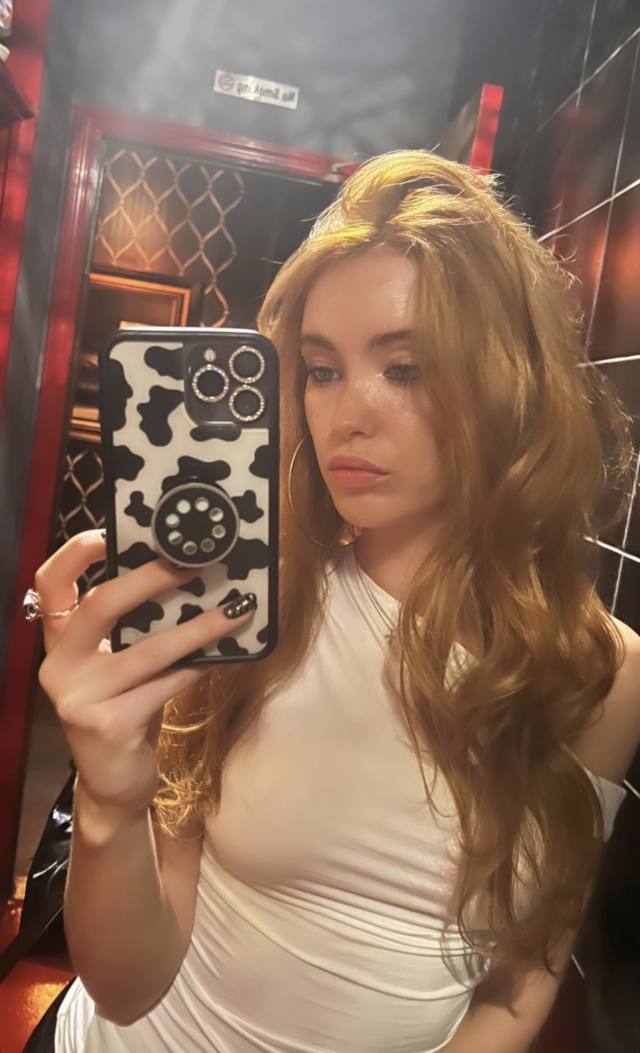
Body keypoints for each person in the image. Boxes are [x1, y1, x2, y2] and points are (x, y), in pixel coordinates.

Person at [25, 150, 640, 1053]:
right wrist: (112, 804)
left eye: (405, 369)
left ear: (508, 379)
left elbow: (521, 981)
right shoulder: (257, 603)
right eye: (321, 369)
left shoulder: (602, 674)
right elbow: (126, 987)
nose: (347, 414)